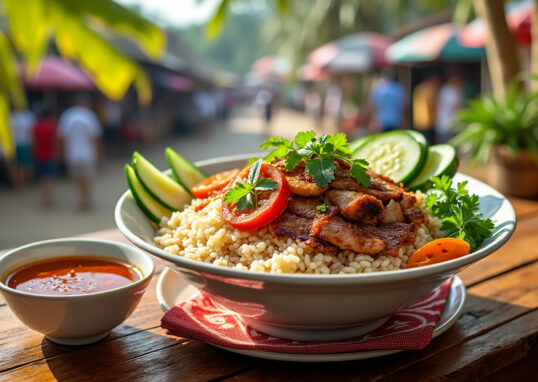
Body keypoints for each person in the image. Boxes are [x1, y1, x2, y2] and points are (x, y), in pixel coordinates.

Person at [57, 94, 103, 210]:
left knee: (76, 178)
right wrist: (99, 153)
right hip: (88, 153)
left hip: (72, 153)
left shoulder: (67, 115)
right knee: (87, 178)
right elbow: (96, 137)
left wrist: (61, 152)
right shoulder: (90, 115)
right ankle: (87, 200)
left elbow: (61, 137)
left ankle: (81, 200)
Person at [369, 68, 408, 133]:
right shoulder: (398, 88)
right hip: (396, 120)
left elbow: (374, 106)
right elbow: (403, 106)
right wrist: (404, 121)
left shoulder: (378, 88)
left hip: (381, 121)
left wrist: (373, 121)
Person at [32, 108, 57, 207]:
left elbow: (34, 142)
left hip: (39, 155)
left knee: (42, 178)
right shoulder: (52, 127)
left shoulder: (36, 127)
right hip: (50, 155)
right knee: (49, 178)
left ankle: (44, 197)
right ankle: (48, 198)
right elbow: (54, 142)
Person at [10, 108, 36, 189]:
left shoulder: (10, 116)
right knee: (22, 166)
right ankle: (21, 184)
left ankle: (17, 185)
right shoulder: (29, 116)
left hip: (13, 144)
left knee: (14, 166)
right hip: (24, 144)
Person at [436, 75, 465, 143]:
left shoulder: (448, 90)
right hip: (447, 124)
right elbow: (456, 106)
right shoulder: (449, 91)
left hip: (449, 124)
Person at [413, 75, 441, 144]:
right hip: (429, 121)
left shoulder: (419, 87)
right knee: (429, 142)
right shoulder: (430, 89)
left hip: (419, 120)